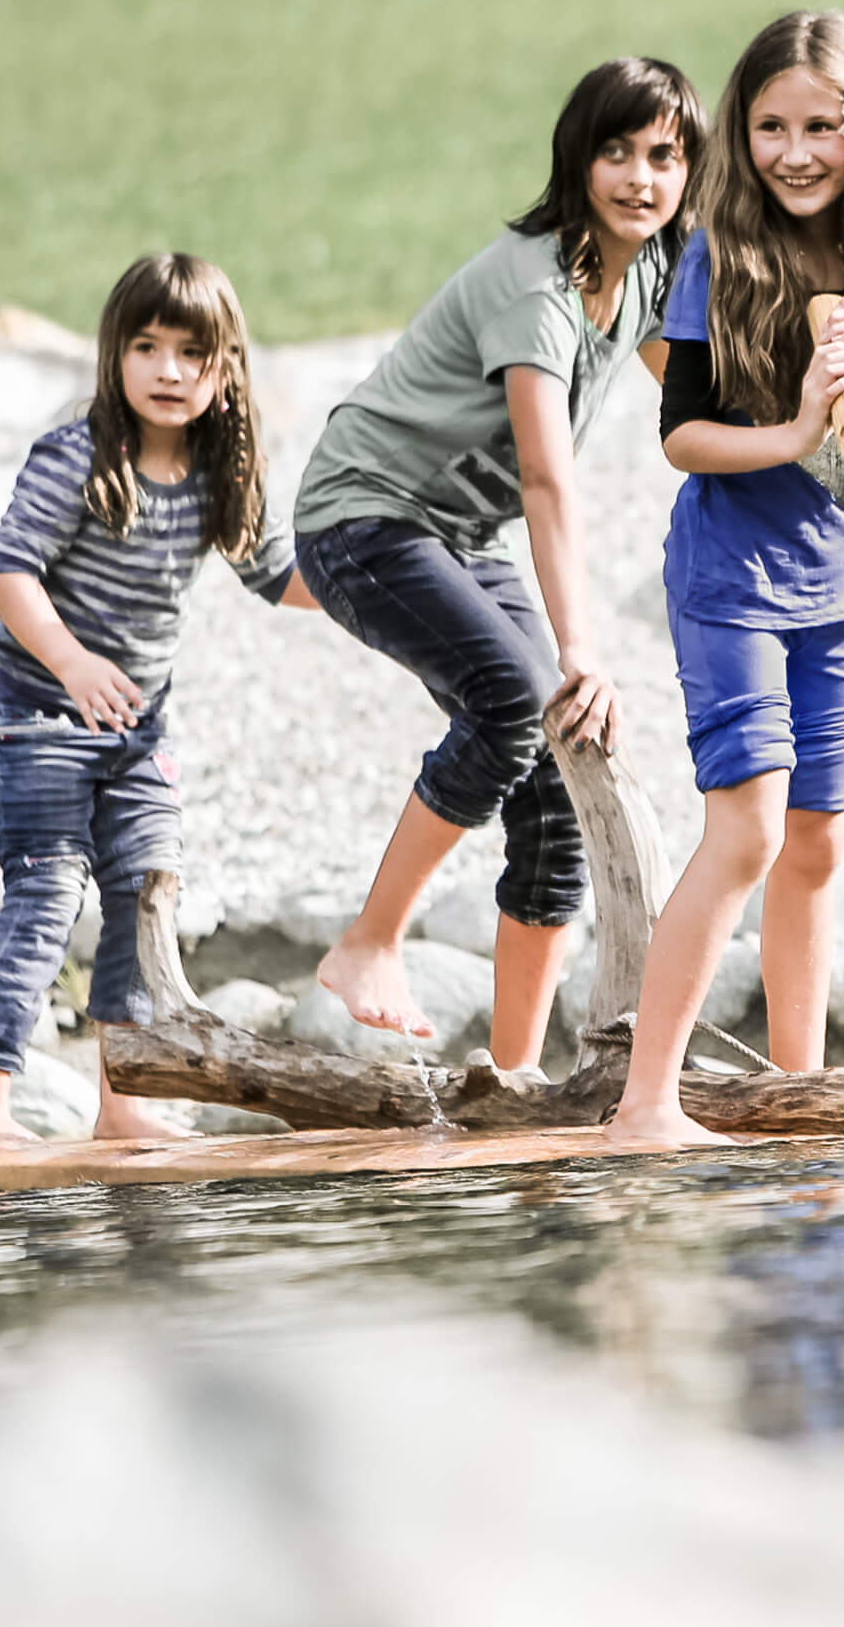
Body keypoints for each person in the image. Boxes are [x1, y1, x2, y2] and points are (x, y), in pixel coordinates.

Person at [293, 57, 704, 1071]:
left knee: (560, 781)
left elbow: (691, 399)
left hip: (454, 537)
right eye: (616, 152)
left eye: (664, 156)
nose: (640, 178)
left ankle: (512, 1081)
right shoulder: (538, 286)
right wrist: (581, 650)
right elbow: (546, 478)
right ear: (576, 159)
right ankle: (370, 942)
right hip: (363, 518)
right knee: (519, 700)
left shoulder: (648, 269)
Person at [614, 10, 844, 1150]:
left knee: (818, 840)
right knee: (750, 831)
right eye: (770, 127)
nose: (796, 152)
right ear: (741, 132)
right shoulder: (716, 252)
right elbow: (681, 436)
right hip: (731, 578)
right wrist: (801, 419)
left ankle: (798, 1093)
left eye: (820, 126)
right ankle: (645, 1104)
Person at [0, 253, 317, 1147]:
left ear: (227, 371)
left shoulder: (225, 470)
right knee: (47, 892)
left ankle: (124, 1102)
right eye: (146, 347)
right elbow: (7, 569)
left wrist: (379, 583)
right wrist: (71, 663)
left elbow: (279, 575)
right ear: (115, 355)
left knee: (148, 890)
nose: (168, 370)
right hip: (33, 714)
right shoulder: (78, 457)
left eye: (193, 353)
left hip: (138, 732)